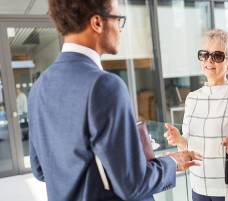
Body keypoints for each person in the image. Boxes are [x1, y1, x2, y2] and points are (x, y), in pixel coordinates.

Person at [28, 0, 201, 201]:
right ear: (97, 23)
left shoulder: (39, 88)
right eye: (119, 19)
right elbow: (133, 184)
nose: (120, 29)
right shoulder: (104, 85)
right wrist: (172, 162)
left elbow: (40, 169)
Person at [164, 29, 228, 201]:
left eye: (217, 56)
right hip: (199, 189)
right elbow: (190, 145)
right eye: (204, 54)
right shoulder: (192, 98)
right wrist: (178, 139)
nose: (209, 60)